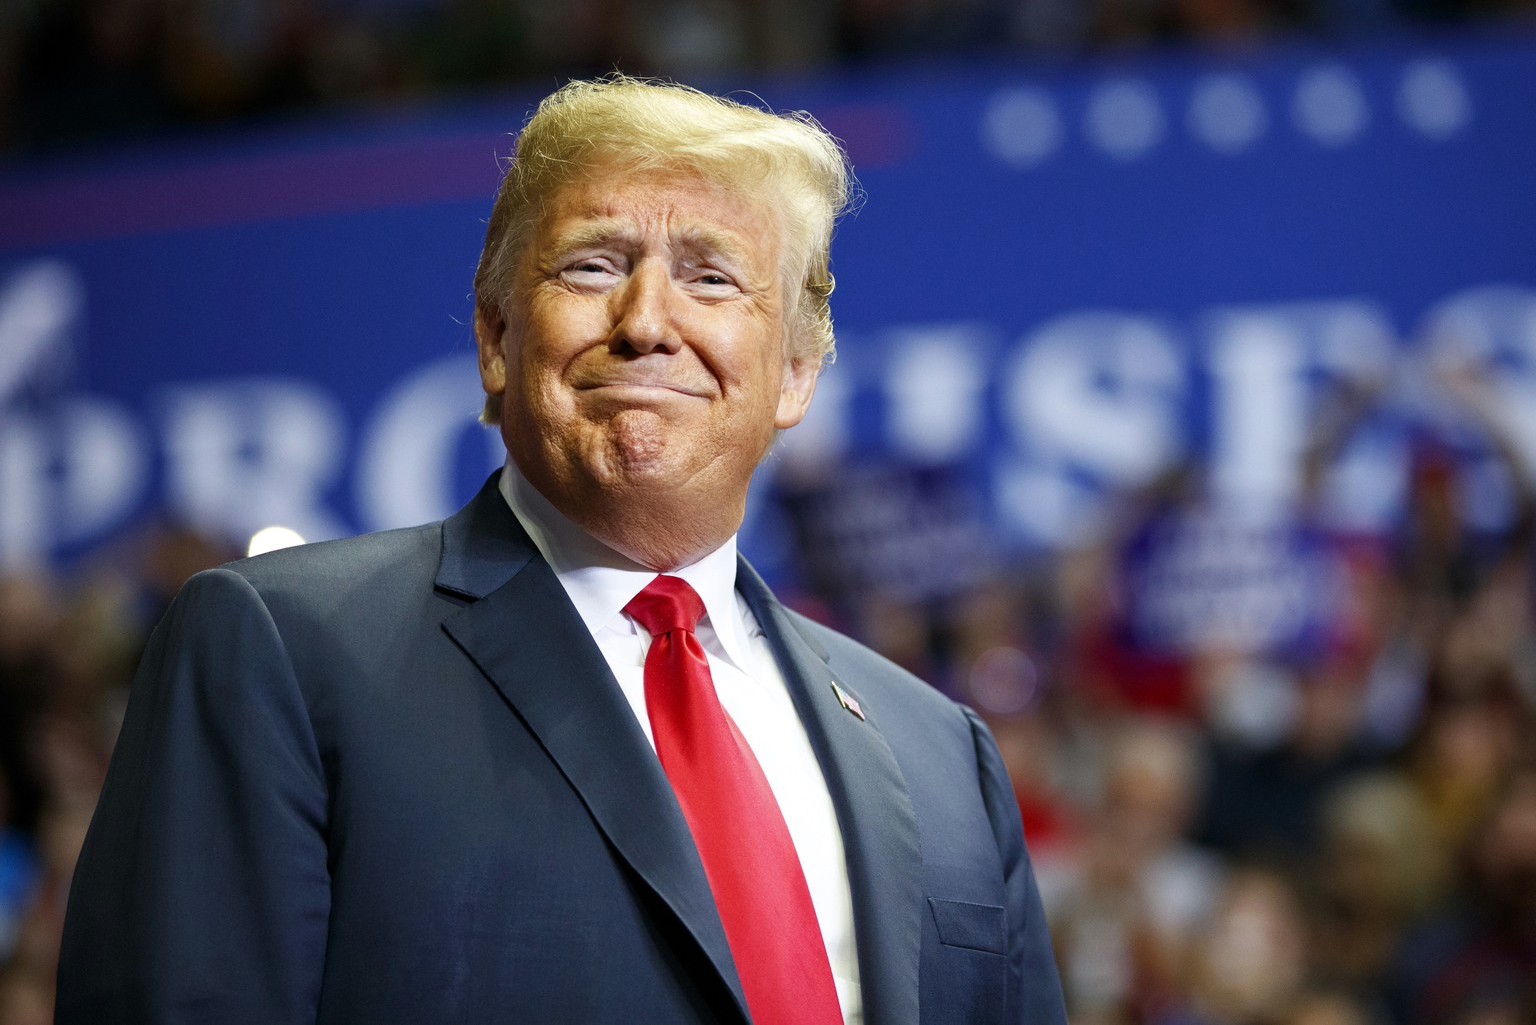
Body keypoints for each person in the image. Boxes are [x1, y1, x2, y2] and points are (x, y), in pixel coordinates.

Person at [55, 76, 1066, 1024]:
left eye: (712, 278)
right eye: (594, 265)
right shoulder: (280, 651)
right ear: (496, 339)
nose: (647, 324)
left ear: (796, 373)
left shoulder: (942, 755)